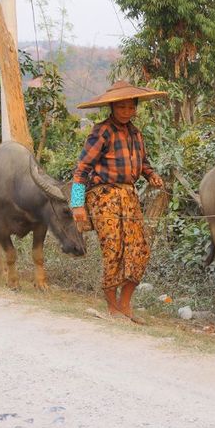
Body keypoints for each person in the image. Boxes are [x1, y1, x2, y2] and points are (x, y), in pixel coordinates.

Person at [70, 80, 166, 320]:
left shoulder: (136, 133)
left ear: (135, 108)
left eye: (130, 107)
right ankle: (112, 306)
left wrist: (151, 175)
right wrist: (77, 204)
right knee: (113, 250)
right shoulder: (101, 131)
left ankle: (125, 304)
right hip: (104, 197)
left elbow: (143, 163)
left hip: (129, 197)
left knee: (139, 250)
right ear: (112, 108)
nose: (126, 112)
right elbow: (81, 169)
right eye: (121, 107)